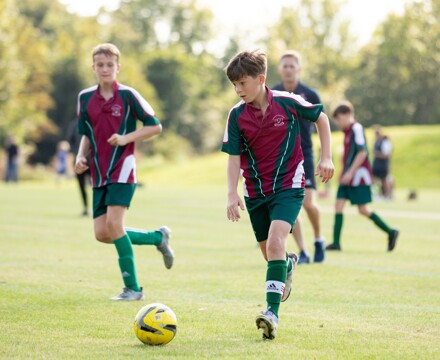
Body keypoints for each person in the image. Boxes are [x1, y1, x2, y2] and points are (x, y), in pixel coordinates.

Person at [222, 50, 334, 340]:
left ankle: (271, 314)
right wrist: (231, 193)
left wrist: (326, 158)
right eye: (234, 85)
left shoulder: (287, 102)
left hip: (289, 185)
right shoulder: (236, 115)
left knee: (275, 243)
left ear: (260, 79)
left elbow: (320, 118)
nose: (238, 90)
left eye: (242, 83)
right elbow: (233, 157)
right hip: (255, 191)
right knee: (269, 253)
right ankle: (288, 264)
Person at [75, 43, 174, 301]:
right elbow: (86, 133)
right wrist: (79, 156)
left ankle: (133, 289)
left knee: (114, 225)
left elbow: (155, 126)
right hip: (98, 172)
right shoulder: (85, 98)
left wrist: (126, 137)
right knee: (102, 233)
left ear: (118, 67)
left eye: (110, 65)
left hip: (123, 168)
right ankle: (157, 238)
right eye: (100, 65)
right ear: (93, 67)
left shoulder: (129, 95)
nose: (105, 69)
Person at [272, 50, 325, 265]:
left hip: (306, 155)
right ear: (280, 69)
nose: (288, 69)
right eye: (285, 65)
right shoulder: (272, 93)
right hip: (281, 158)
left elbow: (322, 123)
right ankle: (303, 250)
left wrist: (326, 156)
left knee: (309, 203)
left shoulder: (310, 94)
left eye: (292, 65)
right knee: (290, 206)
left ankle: (319, 239)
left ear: (299, 69)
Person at [326, 101, 399, 252]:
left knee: (363, 210)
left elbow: (362, 152)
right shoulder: (347, 132)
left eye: (339, 119)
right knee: (338, 205)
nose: (338, 123)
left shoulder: (357, 128)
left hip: (358, 176)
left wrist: (350, 173)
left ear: (347, 115)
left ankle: (391, 232)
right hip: (347, 176)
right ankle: (336, 243)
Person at [67, 118, 91, 216]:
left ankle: (100, 209)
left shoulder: (93, 121)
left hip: (93, 160)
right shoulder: (74, 124)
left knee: (98, 186)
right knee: (81, 185)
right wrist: (77, 153)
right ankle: (86, 207)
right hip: (78, 160)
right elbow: (70, 141)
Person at [372, 125, 393, 199]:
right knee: (373, 179)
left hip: (383, 164)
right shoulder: (376, 141)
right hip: (376, 164)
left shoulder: (385, 141)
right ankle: (374, 193)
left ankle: (387, 195)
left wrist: (377, 154)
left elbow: (386, 154)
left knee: (384, 180)